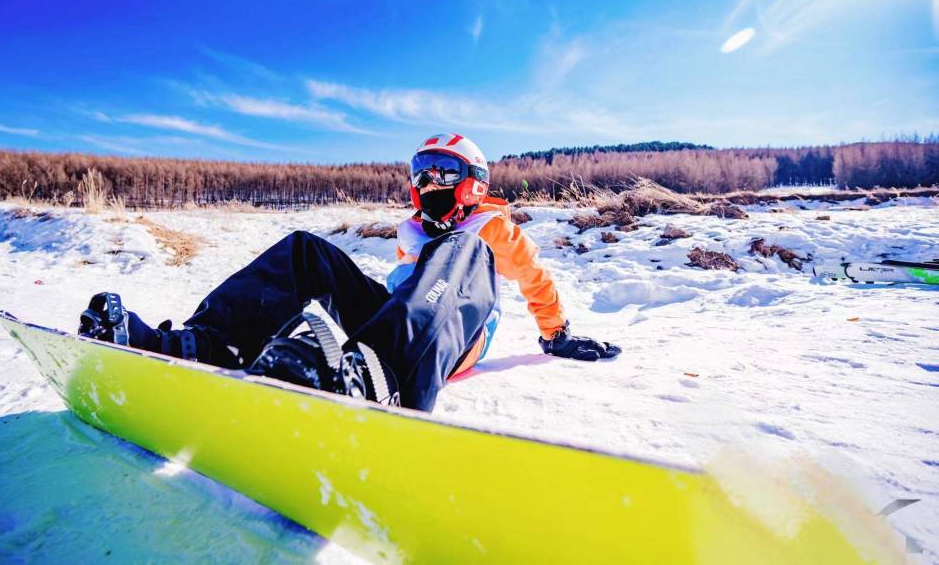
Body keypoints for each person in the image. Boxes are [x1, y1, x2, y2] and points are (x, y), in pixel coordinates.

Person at [79, 134, 620, 412]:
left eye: (444, 172)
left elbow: (536, 281)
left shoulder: (492, 232)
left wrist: (558, 335)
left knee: (462, 246)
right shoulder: (411, 232)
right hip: (397, 324)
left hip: (456, 339)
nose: (431, 181)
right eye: (422, 173)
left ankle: (384, 379)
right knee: (305, 252)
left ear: (474, 181)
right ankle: (205, 344)